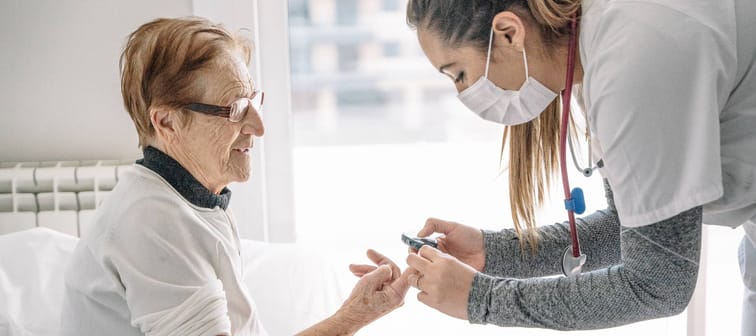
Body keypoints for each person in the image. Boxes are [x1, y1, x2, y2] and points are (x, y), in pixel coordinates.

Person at [400, 0, 756, 334]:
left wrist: (482, 299)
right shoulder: (596, 50)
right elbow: (633, 230)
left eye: (459, 74)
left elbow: (658, 283)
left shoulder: (630, 63)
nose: (463, 93)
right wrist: (493, 253)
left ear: (509, 32)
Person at [60, 17, 410, 336]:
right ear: (167, 123)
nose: (258, 126)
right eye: (237, 109)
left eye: (254, 101)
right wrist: (350, 318)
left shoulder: (189, 200)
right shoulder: (152, 222)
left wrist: (360, 312)